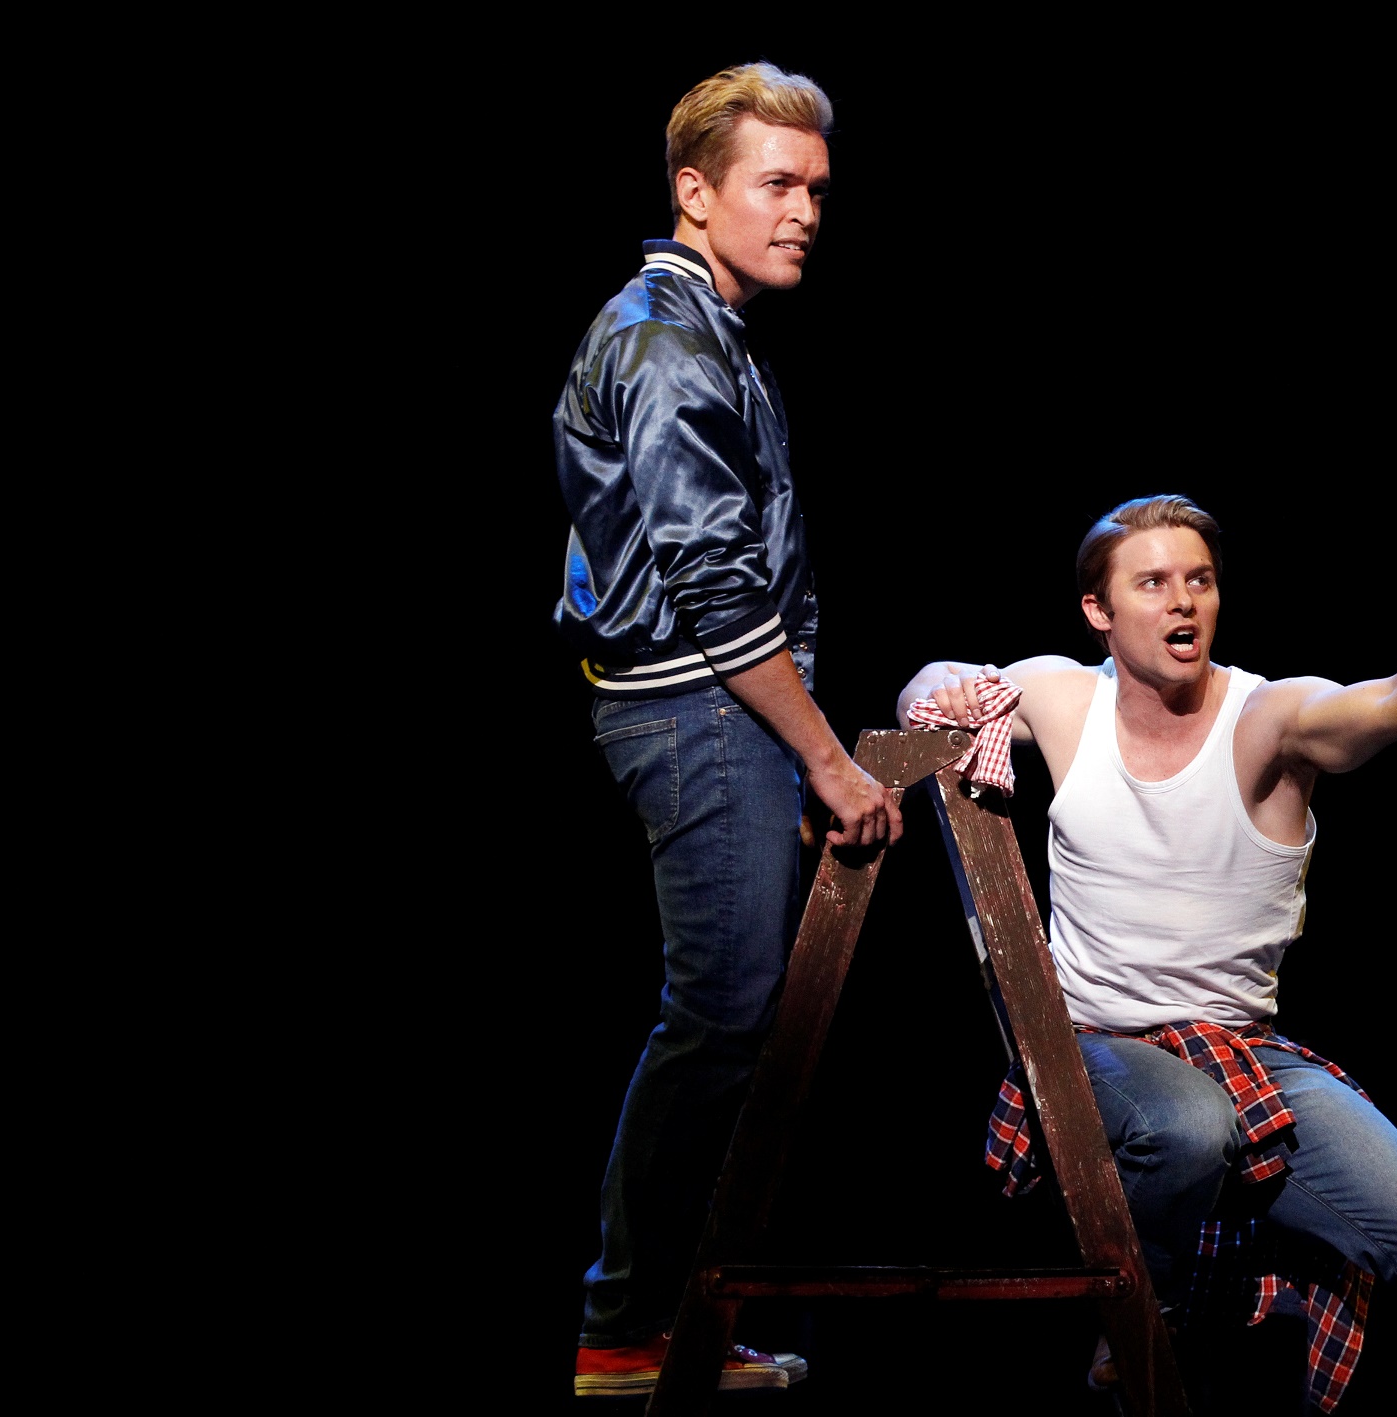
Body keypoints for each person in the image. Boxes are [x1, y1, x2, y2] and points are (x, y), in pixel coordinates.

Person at [896, 495, 1397, 1416]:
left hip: (1245, 1054)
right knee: (1188, 1122)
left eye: (1198, 580)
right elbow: (928, 683)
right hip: (1096, 1048)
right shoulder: (1066, 697)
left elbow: (1387, 703)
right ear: (1098, 610)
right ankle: (1140, 1324)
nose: (1182, 601)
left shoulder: (1268, 718)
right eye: (1153, 583)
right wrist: (946, 690)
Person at [554, 63, 903, 1400]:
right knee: (720, 1013)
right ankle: (623, 1331)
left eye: (818, 189)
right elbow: (709, 584)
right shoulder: (663, 339)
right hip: (690, 706)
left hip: (711, 707)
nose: (806, 210)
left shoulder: (705, 330)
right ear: (694, 194)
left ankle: (665, 1326)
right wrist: (819, 754)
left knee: (736, 1018)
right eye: (777, 184)